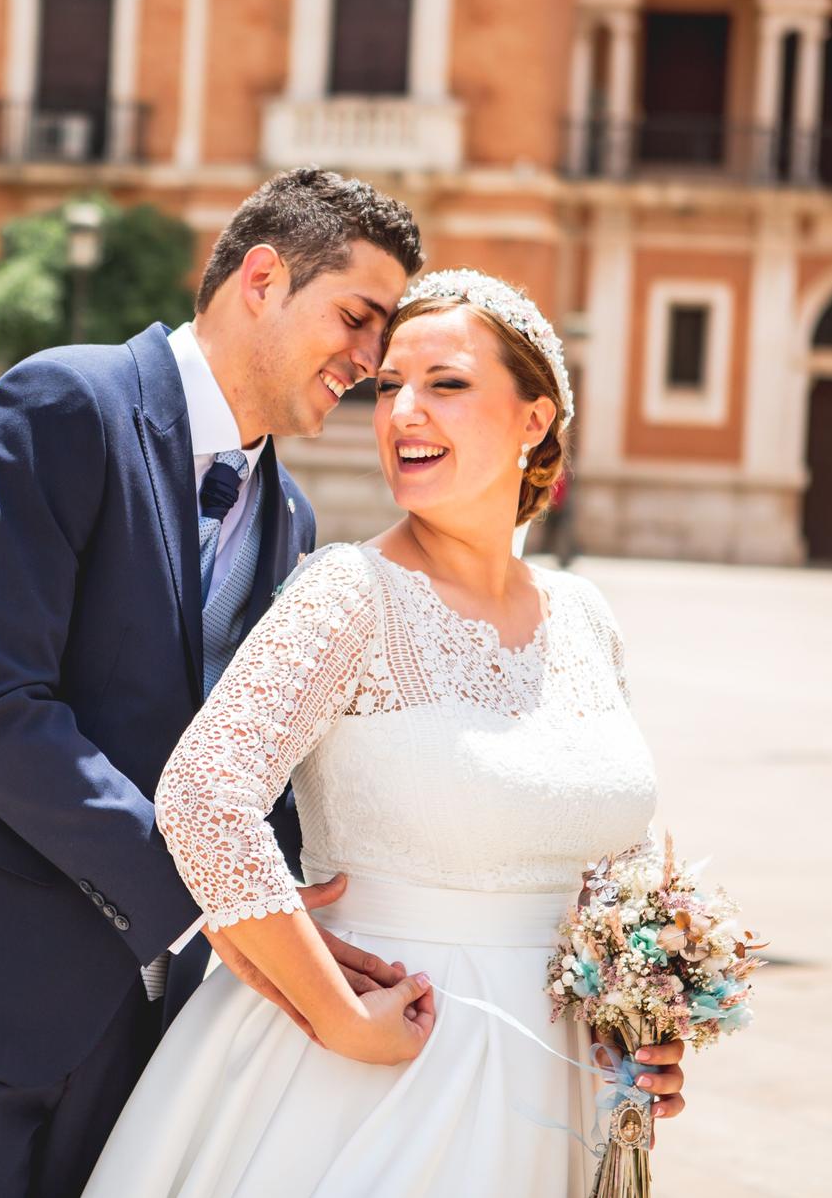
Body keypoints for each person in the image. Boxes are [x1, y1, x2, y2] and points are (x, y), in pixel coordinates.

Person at [0, 169, 425, 1197]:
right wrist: (213, 901)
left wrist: (312, 925)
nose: (370, 362)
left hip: (131, 1019)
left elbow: (235, 767)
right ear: (260, 276)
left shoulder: (288, 522)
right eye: (357, 317)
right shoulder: (59, 402)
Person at [84, 269, 688, 1197]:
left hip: (570, 1087)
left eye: (444, 383)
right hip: (377, 1065)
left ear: (535, 418)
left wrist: (648, 1011)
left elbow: (622, 859)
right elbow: (205, 795)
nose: (402, 409)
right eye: (388, 384)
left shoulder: (586, 614)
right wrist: (334, 1013)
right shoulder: (346, 593)